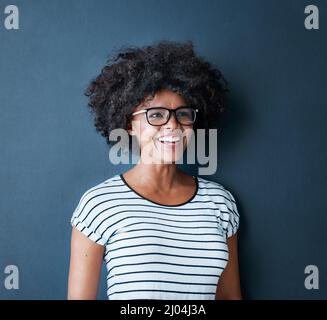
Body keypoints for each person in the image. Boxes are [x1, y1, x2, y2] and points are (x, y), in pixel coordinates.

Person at [67, 40, 242, 300]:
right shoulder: (99, 204)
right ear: (128, 123)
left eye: (183, 114)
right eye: (156, 115)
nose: (172, 125)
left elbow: (230, 297)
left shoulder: (220, 203)